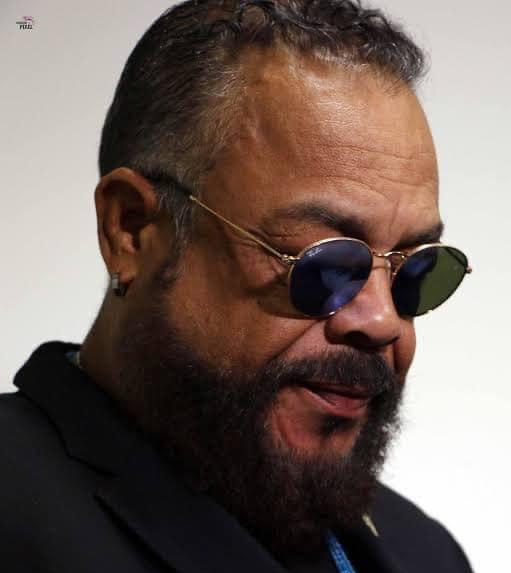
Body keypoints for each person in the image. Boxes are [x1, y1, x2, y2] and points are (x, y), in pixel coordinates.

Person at [0, 1, 475, 571]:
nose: (382, 321)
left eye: (414, 271)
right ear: (132, 229)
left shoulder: (427, 552)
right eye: (323, 263)